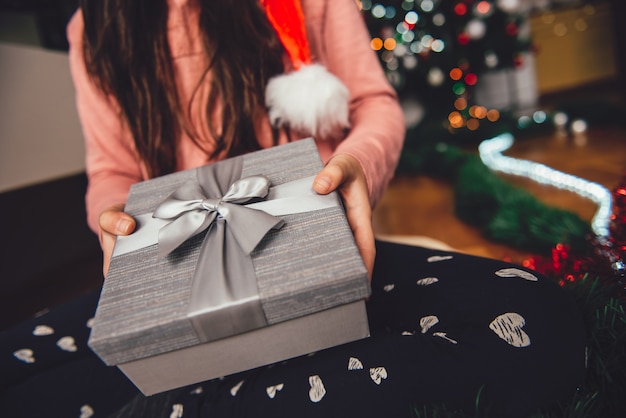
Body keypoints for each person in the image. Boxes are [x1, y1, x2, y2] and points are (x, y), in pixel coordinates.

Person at [0, 0, 586, 417]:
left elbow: (373, 104)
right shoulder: (95, 25)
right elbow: (112, 171)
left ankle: (183, 401)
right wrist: (113, 221)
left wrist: (356, 162)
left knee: (530, 317)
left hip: (325, 264)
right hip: (176, 289)